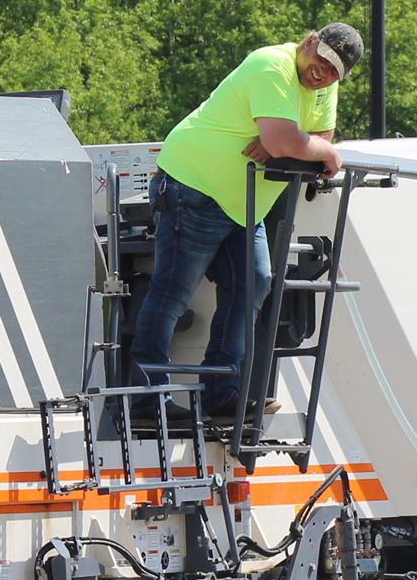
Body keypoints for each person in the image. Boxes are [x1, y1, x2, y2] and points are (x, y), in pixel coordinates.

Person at [130, 23, 362, 423]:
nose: (322, 73)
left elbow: (315, 138)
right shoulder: (272, 65)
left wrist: (292, 140)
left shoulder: (323, 87)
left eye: (333, 71)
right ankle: (146, 403)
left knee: (254, 283)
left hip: (245, 205)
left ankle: (221, 394)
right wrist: (289, 141)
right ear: (310, 41)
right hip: (195, 188)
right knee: (172, 295)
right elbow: (289, 144)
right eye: (321, 60)